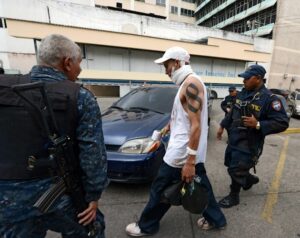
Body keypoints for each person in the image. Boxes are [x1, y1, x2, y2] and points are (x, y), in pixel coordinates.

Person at [0, 34, 108, 237]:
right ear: (67, 63)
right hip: (61, 196)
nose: (80, 69)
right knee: (92, 227)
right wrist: (93, 195)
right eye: (79, 63)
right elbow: (93, 156)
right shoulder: (81, 97)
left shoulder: (5, 89)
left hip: (7, 200)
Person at [125, 46, 227, 237]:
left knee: (159, 189)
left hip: (180, 154)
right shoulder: (188, 84)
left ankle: (146, 226)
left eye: (167, 65)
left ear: (178, 63)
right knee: (201, 185)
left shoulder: (191, 85)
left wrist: (189, 161)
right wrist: (165, 129)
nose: (166, 71)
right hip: (188, 152)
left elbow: (196, 125)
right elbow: (182, 118)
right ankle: (217, 219)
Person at [217, 64, 289, 208]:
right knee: (230, 163)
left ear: (258, 79)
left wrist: (258, 124)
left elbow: (282, 122)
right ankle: (249, 179)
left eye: (247, 78)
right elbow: (232, 113)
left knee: (235, 169)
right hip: (234, 138)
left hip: (250, 142)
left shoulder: (269, 98)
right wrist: (222, 125)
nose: (243, 81)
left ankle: (234, 196)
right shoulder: (242, 93)